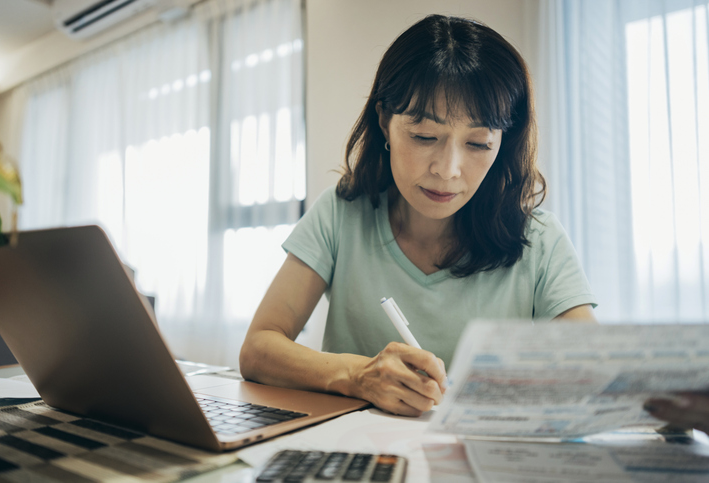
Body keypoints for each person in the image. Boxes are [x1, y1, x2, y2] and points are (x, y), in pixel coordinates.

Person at [239, 14, 599, 417]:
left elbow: (592, 373)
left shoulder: (540, 240)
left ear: (503, 143)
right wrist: (358, 374)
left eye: (478, 144)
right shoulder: (341, 214)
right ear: (384, 122)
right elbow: (258, 349)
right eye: (425, 136)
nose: (448, 169)